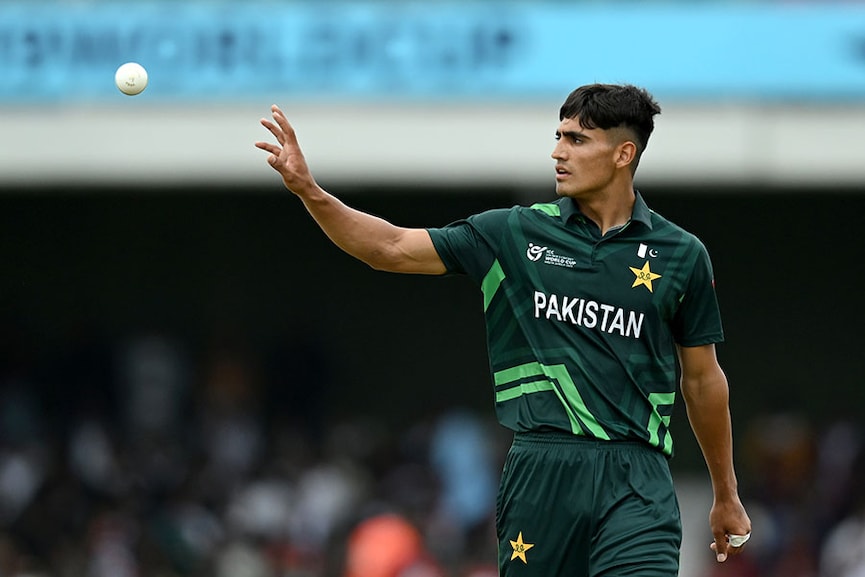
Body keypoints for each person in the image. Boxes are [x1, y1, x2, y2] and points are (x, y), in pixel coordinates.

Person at [255, 83, 751, 577]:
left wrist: (725, 492)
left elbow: (703, 381)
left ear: (624, 153)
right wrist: (310, 191)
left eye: (577, 140)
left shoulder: (681, 255)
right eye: (557, 136)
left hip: (637, 477)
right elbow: (388, 248)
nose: (557, 152)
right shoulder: (512, 232)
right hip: (541, 471)